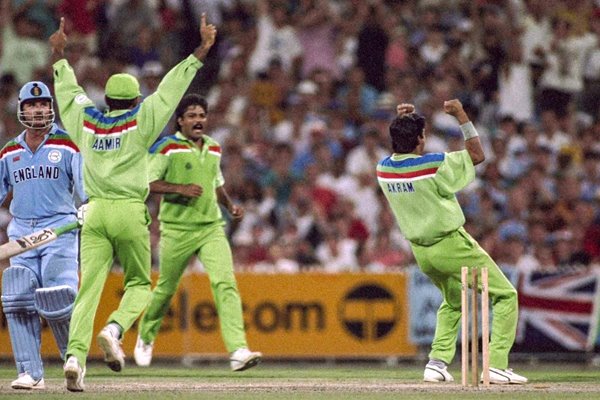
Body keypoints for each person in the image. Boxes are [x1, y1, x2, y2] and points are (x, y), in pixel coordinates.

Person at [48, 15, 217, 392]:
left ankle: (74, 357)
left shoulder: (85, 120)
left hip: (93, 212)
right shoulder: (143, 119)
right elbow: (172, 90)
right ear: (136, 99)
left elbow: (68, 91)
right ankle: (114, 328)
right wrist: (201, 51)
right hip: (127, 210)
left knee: (87, 289)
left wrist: (59, 55)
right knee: (140, 283)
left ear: (106, 100)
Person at [376, 100, 528, 385]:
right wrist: (461, 115)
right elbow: (477, 155)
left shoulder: (383, 170)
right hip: (451, 244)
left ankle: (436, 363)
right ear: (420, 139)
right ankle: (495, 365)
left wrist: (401, 123)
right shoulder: (432, 165)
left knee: (454, 299)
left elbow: (397, 154)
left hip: (421, 253)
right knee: (506, 295)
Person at [134, 94, 262, 371]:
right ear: (180, 121)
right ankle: (145, 337)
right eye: (191, 115)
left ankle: (238, 349)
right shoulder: (167, 147)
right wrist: (180, 189)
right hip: (176, 229)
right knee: (166, 290)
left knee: (225, 284)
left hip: (211, 227)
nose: (198, 120)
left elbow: (215, 184)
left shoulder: (214, 148)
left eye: (201, 115)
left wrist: (229, 206)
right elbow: (147, 183)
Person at [0, 80, 85, 390]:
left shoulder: (68, 144)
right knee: (17, 297)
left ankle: (73, 361)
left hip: (59, 229)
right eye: (31, 105)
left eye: (43, 104)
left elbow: (86, 188)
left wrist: (89, 207)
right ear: (22, 110)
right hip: (21, 231)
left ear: (51, 108)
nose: (38, 109)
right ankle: (30, 373)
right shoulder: (9, 150)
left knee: (58, 297)